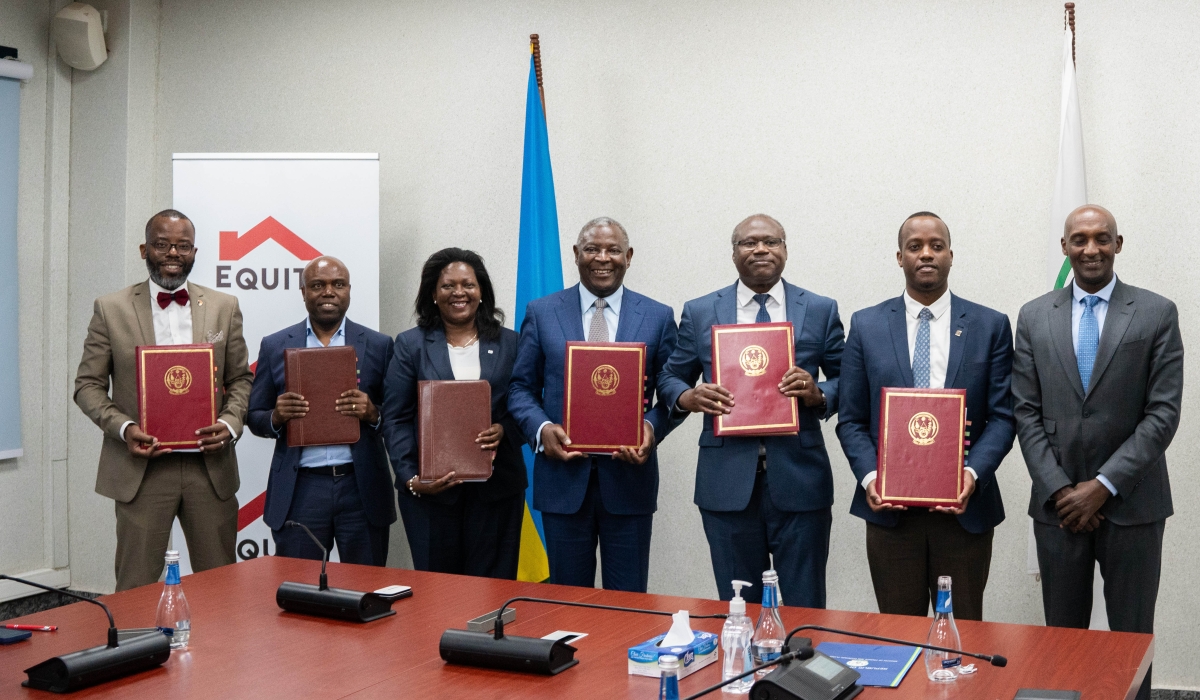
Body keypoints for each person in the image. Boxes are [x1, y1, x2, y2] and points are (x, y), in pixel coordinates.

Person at [1013, 204, 1182, 700]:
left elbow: (1163, 413)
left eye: (1102, 238)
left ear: (1119, 244)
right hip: (1058, 508)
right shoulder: (1034, 315)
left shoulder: (1156, 312)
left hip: (1134, 505)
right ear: (1064, 248)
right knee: (1062, 643)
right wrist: (1063, 490)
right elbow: (1024, 411)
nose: (1091, 248)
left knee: (1131, 642)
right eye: (1080, 239)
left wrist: (1102, 486)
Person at [835, 212, 1014, 621]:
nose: (926, 254)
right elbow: (851, 419)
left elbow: (1004, 418)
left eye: (936, 245)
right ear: (900, 257)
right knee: (901, 635)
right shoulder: (866, 325)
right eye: (915, 247)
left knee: (963, 634)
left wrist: (971, 475)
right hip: (889, 513)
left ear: (951, 255)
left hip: (964, 513)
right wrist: (870, 477)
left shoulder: (990, 325)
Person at [658, 214, 843, 606]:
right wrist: (688, 398)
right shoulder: (701, 310)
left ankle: (799, 669)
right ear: (733, 253)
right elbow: (670, 376)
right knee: (739, 606)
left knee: (804, 605)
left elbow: (849, 381)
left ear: (785, 250)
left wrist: (818, 392)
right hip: (726, 484)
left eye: (771, 241)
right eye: (749, 242)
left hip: (800, 480)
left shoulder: (821, 309)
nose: (761, 249)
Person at [74, 209, 253, 591]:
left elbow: (241, 379)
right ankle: (137, 652)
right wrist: (124, 429)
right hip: (142, 470)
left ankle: (217, 654)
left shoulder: (225, 306)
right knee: (135, 588)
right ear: (144, 249)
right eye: (162, 244)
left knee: (219, 586)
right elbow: (87, 385)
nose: (173, 252)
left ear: (194, 251)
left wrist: (231, 423)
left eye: (183, 246)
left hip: (210, 469)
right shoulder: (111, 308)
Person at [508, 217, 679, 592]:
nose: (603, 258)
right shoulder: (542, 312)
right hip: (562, 481)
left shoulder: (658, 316)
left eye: (613, 249)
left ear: (629, 256)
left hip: (629, 483)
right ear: (575, 254)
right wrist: (540, 429)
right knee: (568, 602)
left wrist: (650, 429)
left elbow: (672, 392)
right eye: (592, 248)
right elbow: (520, 388)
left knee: (629, 603)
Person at [381, 248, 526, 578]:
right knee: (439, 593)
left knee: (492, 590)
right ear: (433, 293)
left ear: (481, 291)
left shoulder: (511, 343)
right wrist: (412, 479)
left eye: (468, 284)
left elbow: (526, 404)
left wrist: (504, 430)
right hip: (431, 496)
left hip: (497, 492)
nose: (459, 292)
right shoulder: (410, 345)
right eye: (448, 285)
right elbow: (396, 417)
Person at [246, 257, 395, 566]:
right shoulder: (275, 345)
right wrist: (276, 416)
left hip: (361, 487)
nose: (328, 292)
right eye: (318, 285)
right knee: (300, 590)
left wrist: (373, 413)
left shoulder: (380, 345)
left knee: (365, 588)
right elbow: (254, 415)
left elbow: (398, 417)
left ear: (349, 291)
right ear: (303, 292)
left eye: (338, 284)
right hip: (301, 489)